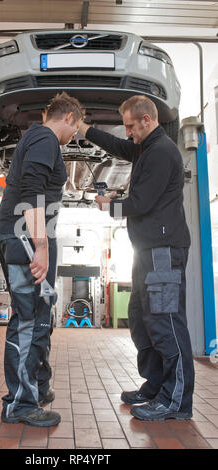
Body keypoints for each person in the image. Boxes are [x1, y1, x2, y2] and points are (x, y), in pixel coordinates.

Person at [79, 95, 194, 421]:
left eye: (131, 125)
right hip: (147, 251)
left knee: (166, 322)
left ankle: (176, 402)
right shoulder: (146, 147)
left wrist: (109, 205)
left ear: (147, 120)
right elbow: (120, 146)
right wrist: (86, 130)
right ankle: (155, 386)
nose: (127, 132)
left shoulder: (161, 152)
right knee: (143, 320)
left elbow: (140, 203)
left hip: (163, 253)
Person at [0, 92, 84, 427]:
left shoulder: (38, 138)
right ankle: (19, 405)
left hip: (24, 235)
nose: (73, 137)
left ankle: (37, 386)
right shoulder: (46, 138)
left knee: (40, 313)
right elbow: (32, 190)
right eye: (75, 130)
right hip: (25, 237)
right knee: (28, 319)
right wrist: (41, 244)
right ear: (70, 117)